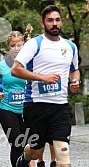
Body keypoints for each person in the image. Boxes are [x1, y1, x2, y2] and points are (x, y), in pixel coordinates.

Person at [11, 5, 80, 167]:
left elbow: (74, 69)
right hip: (36, 106)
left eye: (57, 20)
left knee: (63, 153)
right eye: (50, 21)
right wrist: (43, 78)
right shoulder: (34, 44)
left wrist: (75, 81)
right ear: (43, 24)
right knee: (36, 152)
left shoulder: (70, 47)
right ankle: (25, 158)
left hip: (60, 106)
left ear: (61, 22)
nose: (54, 24)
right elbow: (16, 70)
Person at [0, 31, 29, 167]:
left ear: (24, 45)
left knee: (27, 144)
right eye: (13, 46)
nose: (16, 48)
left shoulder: (29, 63)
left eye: (19, 45)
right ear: (8, 47)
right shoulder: (1, 66)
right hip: (7, 109)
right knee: (17, 143)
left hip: (27, 109)